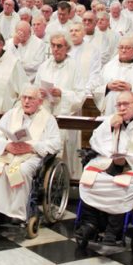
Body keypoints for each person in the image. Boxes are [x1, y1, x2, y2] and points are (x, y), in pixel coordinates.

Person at [76, 91, 133, 247]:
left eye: (126, 104)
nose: (122, 108)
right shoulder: (112, 119)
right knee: (90, 178)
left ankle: (113, 230)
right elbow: (95, 140)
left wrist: (129, 157)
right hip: (109, 161)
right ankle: (90, 223)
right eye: (119, 104)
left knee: (120, 185)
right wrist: (109, 127)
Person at [0, 86, 61, 224]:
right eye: (24, 97)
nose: (26, 101)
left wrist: (32, 146)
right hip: (10, 153)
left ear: (40, 102)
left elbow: (56, 143)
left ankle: (17, 212)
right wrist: (6, 145)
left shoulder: (48, 119)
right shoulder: (11, 114)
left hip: (31, 156)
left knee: (19, 170)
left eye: (31, 98)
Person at [34, 32, 88, 178]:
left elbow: (81, 94)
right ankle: (44, 180)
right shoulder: (44, 66)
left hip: (66, 117)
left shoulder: (74, 67)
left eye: (59, 46)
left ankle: (67, 182)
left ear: (67, 48)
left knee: (66, 151)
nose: (55, 49)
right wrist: (40, 94)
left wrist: (62, 93)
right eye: (53, 45)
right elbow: (35, 88)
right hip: (46, 114)